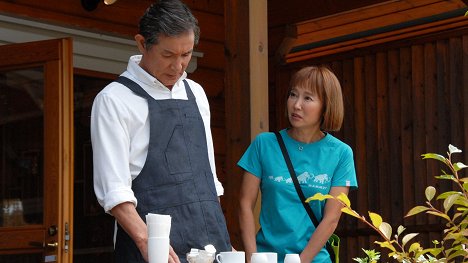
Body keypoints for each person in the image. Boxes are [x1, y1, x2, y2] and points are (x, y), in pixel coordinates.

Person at [91, 1, 232, 262]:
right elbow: (115, 191)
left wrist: (224, 240)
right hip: (149, 249)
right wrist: (147, 243)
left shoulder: (196, 94)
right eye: (168, 55)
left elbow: (208, 180)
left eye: (186, 55)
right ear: (142, 44)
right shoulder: (114, 99)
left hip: (210, 246)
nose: (179, 67)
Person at [238, 66, 358, 263]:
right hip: (266, 257)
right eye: (293, 95)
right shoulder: (264, 144)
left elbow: (331, 219)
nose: (296, 105)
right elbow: (244, 203)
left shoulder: (341, 153)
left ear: (326, 105)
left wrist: (300, 261)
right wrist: (253, 258)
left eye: (307, 98)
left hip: (314, 260)